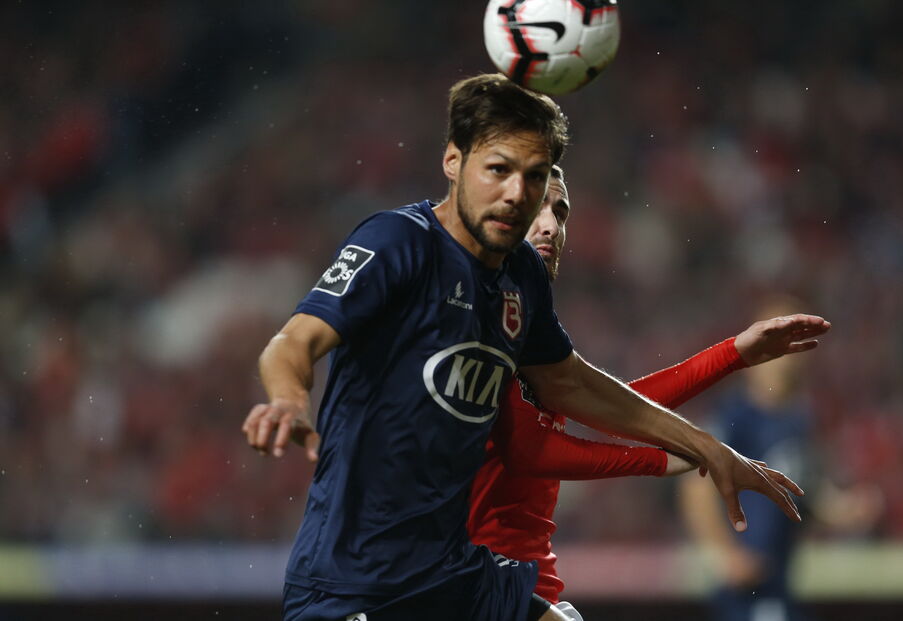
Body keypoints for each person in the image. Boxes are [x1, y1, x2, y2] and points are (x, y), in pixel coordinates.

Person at [242, 73, 804, 621]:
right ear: (452, 161)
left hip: (455, 575)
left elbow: (576, 385)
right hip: (352, 582)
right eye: (499, 170)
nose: (518, 195)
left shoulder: (522, 280)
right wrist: (288, 399)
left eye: (535, 179)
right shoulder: (398, 243)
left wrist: (708, 446)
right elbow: (294, 341)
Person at [467, 169, 832, 619]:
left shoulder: (527, 315)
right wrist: (656, 459)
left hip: (528, 575)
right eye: (536, 208)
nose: (550, 226)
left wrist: (734, 353)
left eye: (560, 211)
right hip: (478, 574)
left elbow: (611, 404)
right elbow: (527, 449)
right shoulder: (474, 309)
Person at [680, 298, 875, 621]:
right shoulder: (735, 418)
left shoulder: (799, 421)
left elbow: (807, 492)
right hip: (745, 588)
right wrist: (725, 555)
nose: (784, 357)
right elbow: (696, 489)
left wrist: (844, 511)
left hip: (778, 582)